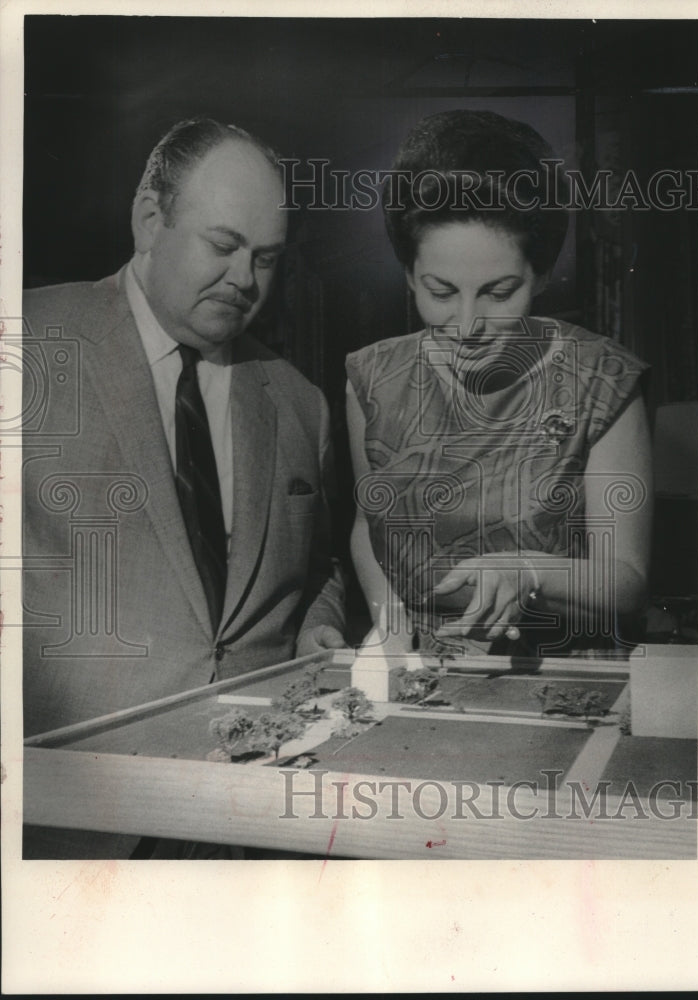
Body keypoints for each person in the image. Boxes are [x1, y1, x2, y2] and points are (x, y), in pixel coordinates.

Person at [22, 118, 346, 856]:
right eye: (223, 245)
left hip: (259, 821)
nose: (244, 280)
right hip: (71, 827)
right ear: (148, 218)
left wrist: (315, 627)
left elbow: (319, 565)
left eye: (266, 259)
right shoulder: (27, 342)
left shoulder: (301, 401)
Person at [346, 110, 652, 659]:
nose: (467, 326)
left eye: (499, 291)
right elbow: (370, 530)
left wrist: (526, 570)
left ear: (540, 274)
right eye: (440, 292)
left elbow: (626, 583)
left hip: (564, 665)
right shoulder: (371, 380)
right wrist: (391, 629)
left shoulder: (602, 379)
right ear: (410, 275)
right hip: (421, 662)